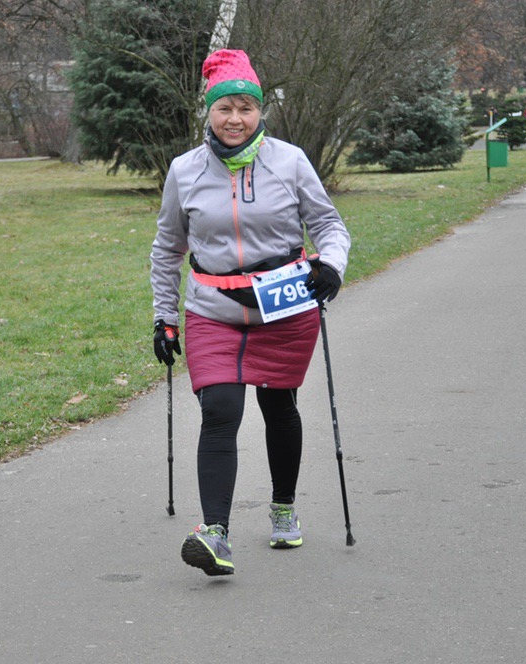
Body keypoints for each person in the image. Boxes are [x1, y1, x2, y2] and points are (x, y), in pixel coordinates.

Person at [150, 49, 351, 577]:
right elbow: (167, 248)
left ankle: (283, 506)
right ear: (209, 112)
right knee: (219, 410)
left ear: (260, 111)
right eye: (225, 108)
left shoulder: (290, 161)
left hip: (283, 307)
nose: (235, 119)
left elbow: (329, 226)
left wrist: (331, 265)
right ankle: (214, 533)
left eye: (246, 108)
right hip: (213, 308)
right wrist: (165, 317)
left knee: (278, 405)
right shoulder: (185, 171)